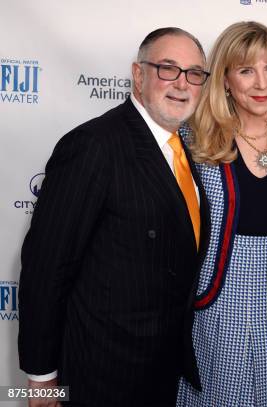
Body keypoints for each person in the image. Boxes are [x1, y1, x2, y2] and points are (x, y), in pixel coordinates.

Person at [18, 27, 209, 406]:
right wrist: (42, 378)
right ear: (138, 75)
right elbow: (46, 266)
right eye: (168, 69)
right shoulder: (94, 145)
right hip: (101, 374)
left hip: (159, 371)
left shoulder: (181, 148)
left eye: (194, 73)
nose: (182, 83)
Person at [174, 21, 267, 407]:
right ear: (225, 79)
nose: (262, 83)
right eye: (246, 70)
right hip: (216, 289)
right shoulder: (195, 137)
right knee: (214, 394)